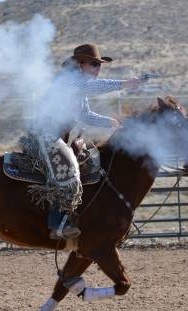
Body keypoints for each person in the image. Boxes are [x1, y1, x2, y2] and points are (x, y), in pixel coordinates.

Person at [28, 43, 143, 240]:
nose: (98, 69)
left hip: (58, 136)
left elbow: (86, 115)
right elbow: (92, 88)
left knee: (89, 160)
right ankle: (58, 223)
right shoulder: (71, 80)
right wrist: (125, 84)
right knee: (69, 169)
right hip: (46, 135)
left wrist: (112, 122)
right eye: (94, 64)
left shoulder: (77, 85)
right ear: (80, 65)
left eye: (99, 65)